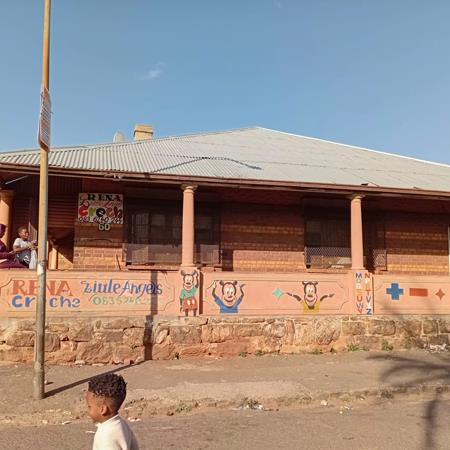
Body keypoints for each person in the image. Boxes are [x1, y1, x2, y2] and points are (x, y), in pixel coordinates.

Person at [86, 373, 139, 450]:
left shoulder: (105, 436)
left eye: (89, 407)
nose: (87, 410)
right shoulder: (122, 424)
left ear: (102, 410)